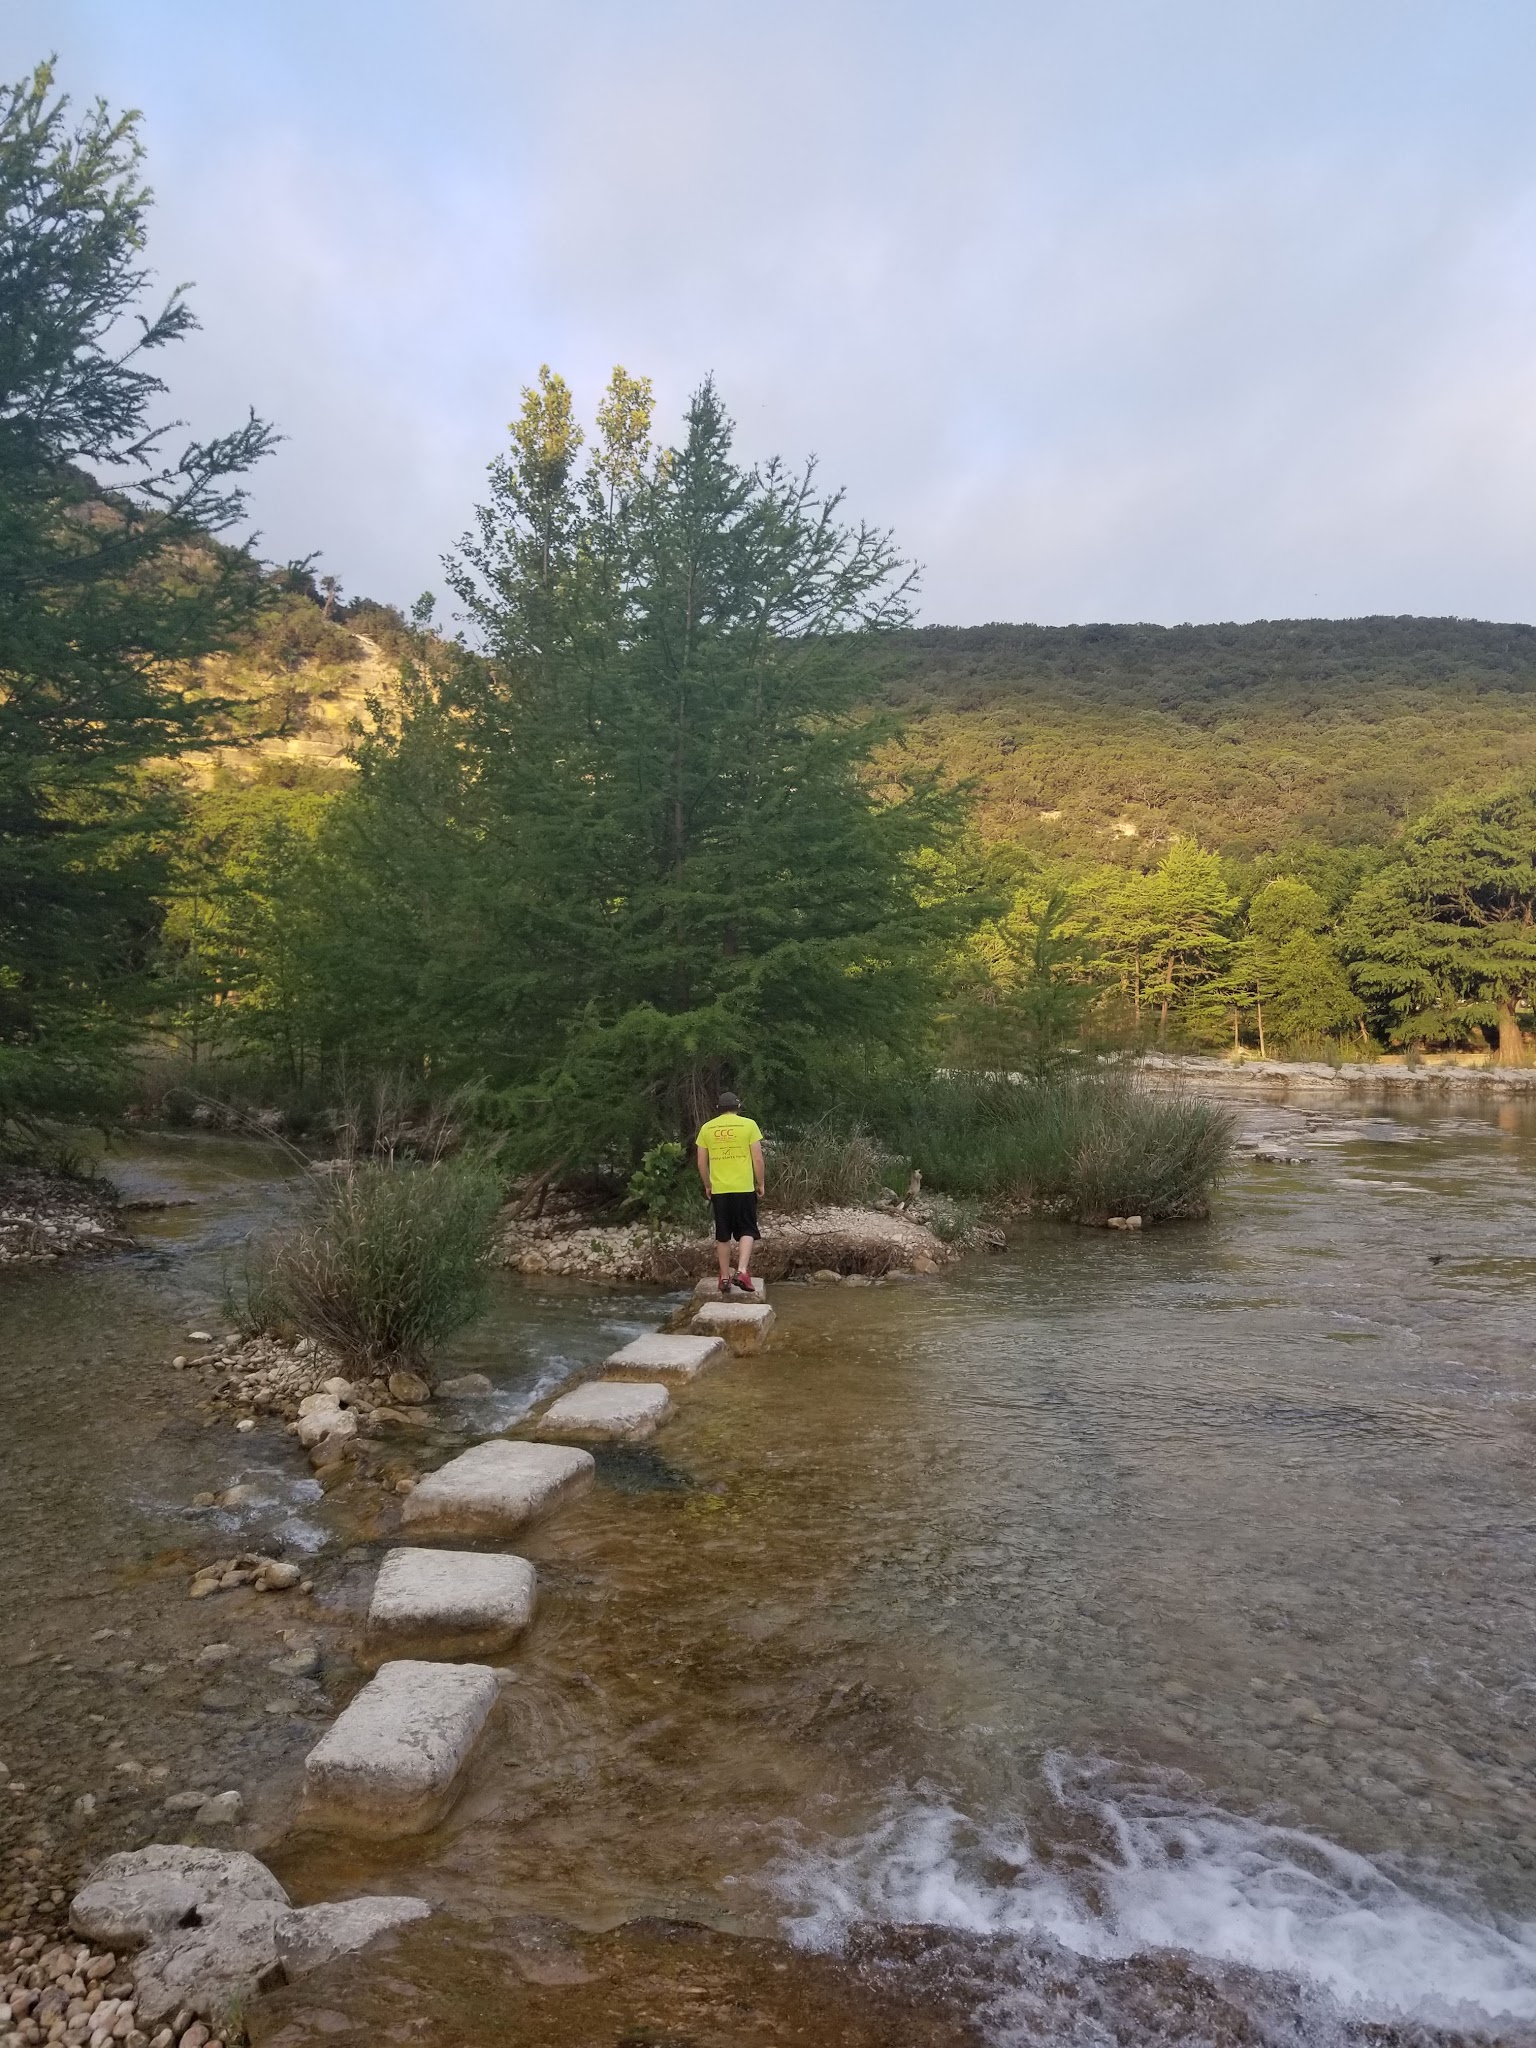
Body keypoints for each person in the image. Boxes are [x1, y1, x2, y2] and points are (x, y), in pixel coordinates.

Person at [695, 1091, 765, 1293]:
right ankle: (742, 1271)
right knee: (747, 1229)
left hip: (720, 1189)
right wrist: (760, 1183)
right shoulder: (749, 1125)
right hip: (744, 1187)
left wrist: (708, 1184)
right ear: (737, 1107)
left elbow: (701, 1162)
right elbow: (758, 1159)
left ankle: (724, 1278)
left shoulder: (707, 1129)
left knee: (723, 1234)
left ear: (719, 1109)